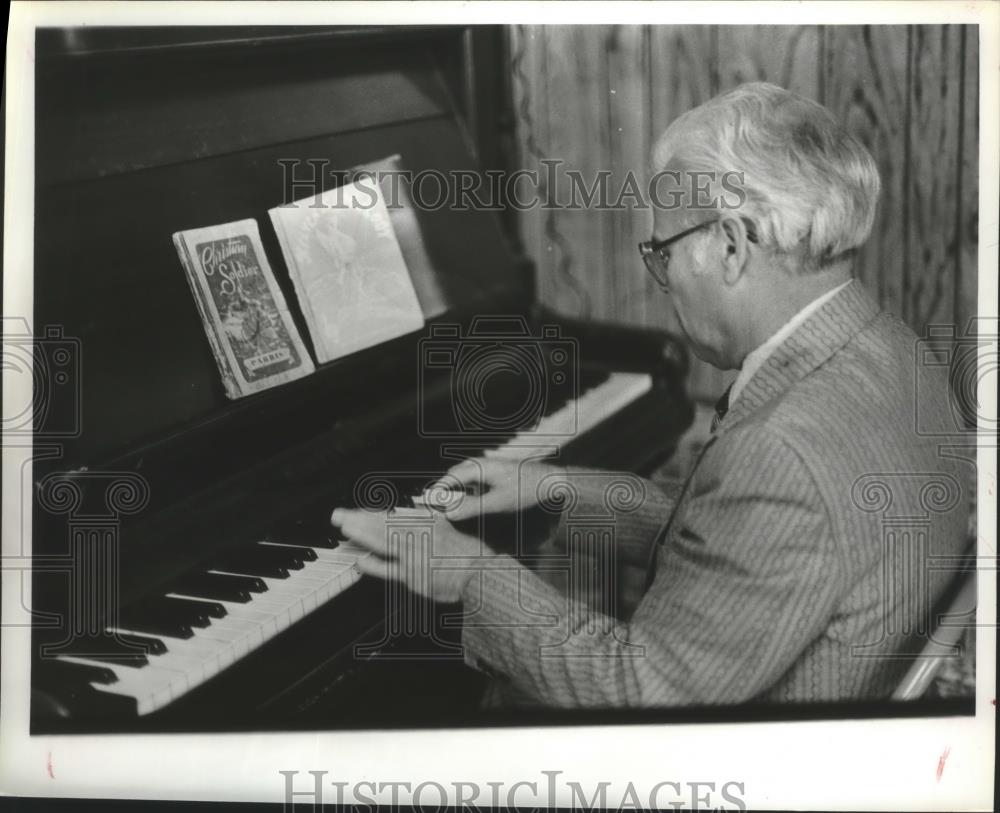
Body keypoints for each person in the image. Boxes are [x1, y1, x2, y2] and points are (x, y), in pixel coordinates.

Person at [331, 82, 970, 707]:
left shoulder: (782, 452)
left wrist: (466, 574)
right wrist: (551, 491)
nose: (662, 280)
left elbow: (639, 689)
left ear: (731, 246)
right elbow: (740, 542)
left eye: (663, 252)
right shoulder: (892, 351)